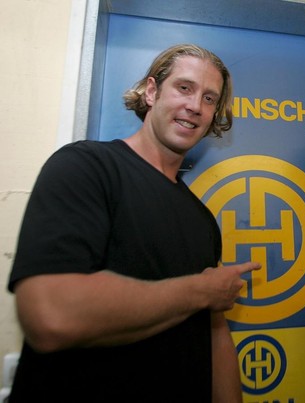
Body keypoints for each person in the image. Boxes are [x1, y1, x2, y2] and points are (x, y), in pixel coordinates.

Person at [7, 44, 260, 402]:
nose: (195, 106)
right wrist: (200, 291)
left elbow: (215, 334)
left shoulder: (202, 220)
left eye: (209, 98)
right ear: (152, 92)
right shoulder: (86, 166)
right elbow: (51, 314)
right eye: (184, 88)